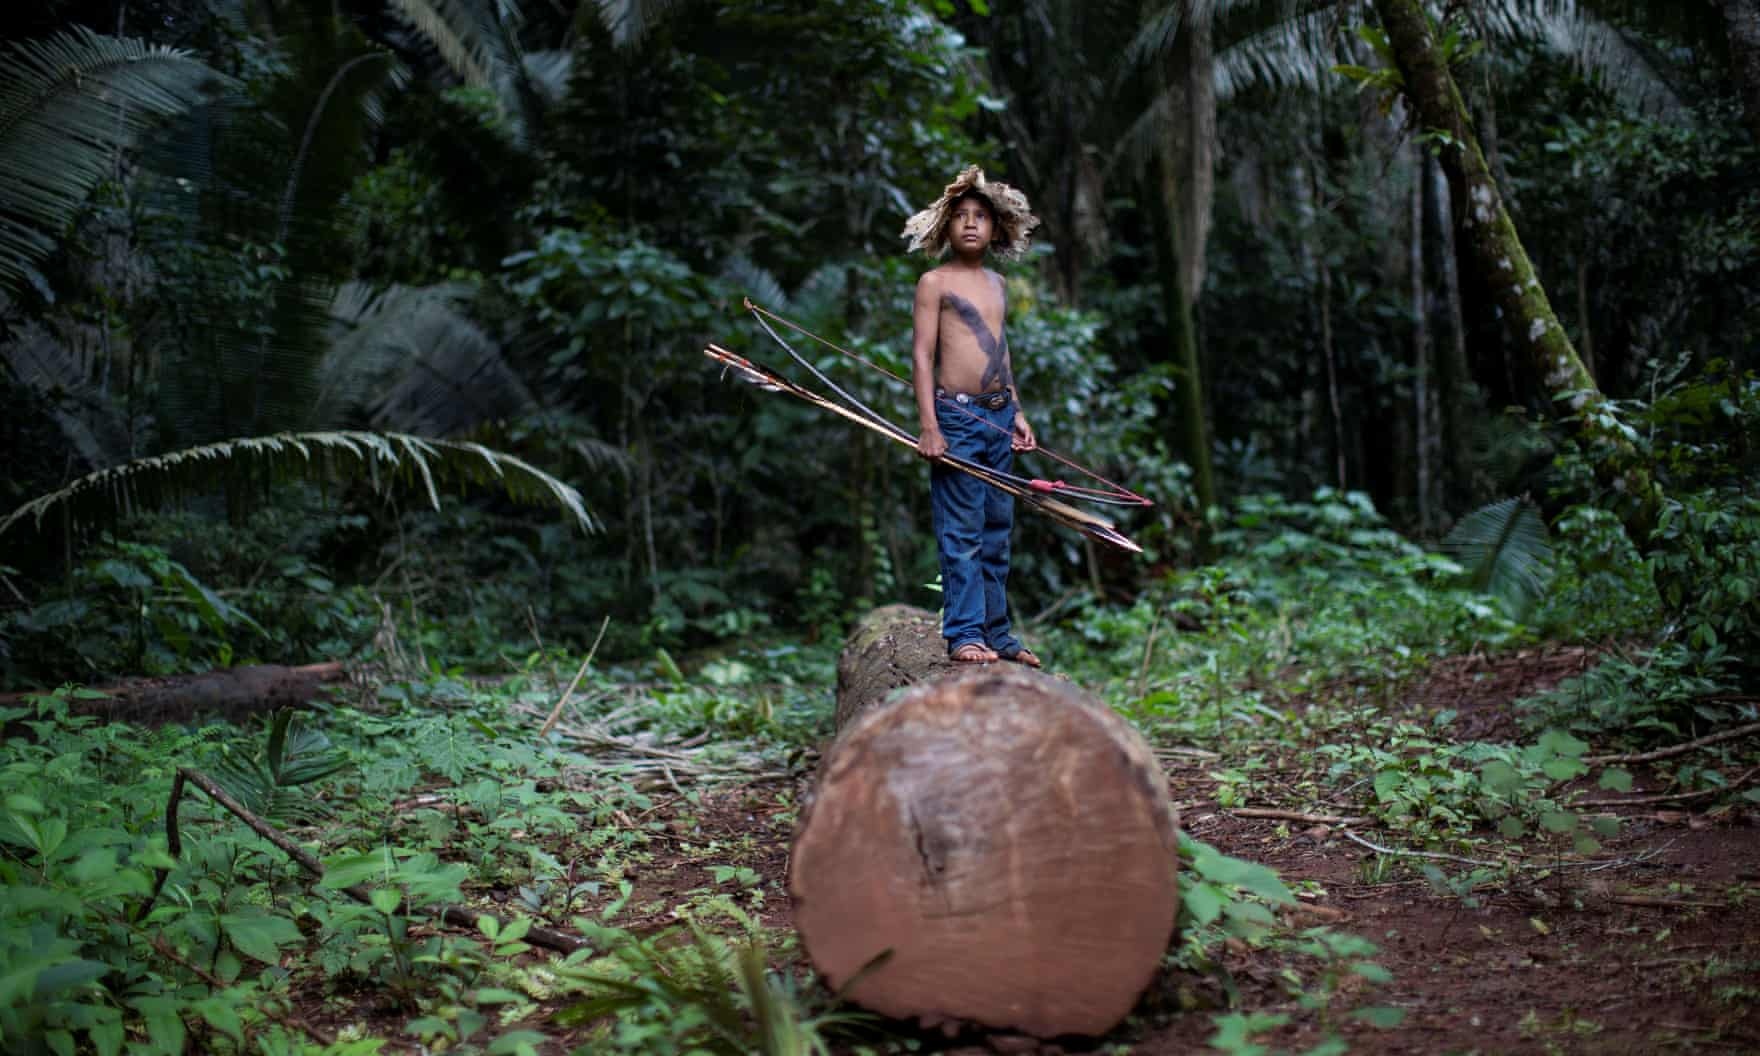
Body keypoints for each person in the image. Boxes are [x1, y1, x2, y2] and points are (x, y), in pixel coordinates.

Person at [902, 165, 1043, 667]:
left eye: (979, 216)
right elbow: (922, 356)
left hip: (998, 418)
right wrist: (930, 426)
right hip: (957, 419)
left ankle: (997, 634)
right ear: (946, 226)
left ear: (995, 228)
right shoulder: (934, 282)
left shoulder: (998, 283)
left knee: (996, 527)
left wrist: (1017, 410)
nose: (969, 223)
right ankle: (964, 633)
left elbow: (1000, 352)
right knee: (961, 530)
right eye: (960, 215)